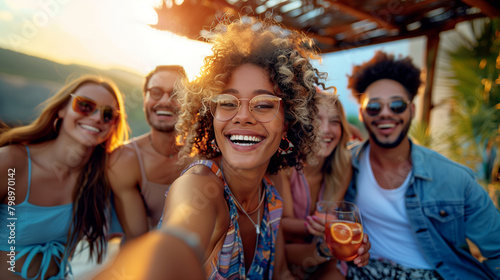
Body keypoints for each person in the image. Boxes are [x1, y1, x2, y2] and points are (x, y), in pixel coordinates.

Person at [345, 50, 500, 279]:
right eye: (374, 107)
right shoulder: (344, 164)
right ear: (362, 113)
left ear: (412, 110)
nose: (385, 114)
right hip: (363, 271)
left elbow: (496, 250)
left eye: (397, 105)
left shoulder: (454, 178)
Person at [0, 75, 129, 279]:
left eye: (107, 114)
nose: (96, 117)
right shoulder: (11, 163)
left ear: (113, 125)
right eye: (85, 105)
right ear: (62, 109)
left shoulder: (100, 179)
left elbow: (139, 233)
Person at [279, 91, 368, 279]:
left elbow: (329, 220)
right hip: (285, 255)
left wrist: (344, 236)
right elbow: (282, 224)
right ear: (301, 125)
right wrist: (315, 225)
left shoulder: (342, 168)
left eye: (335, 122)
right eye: (316, 120)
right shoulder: (284, 167)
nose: (325, 129)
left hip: (321, 252)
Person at [108, 65, 187, 241]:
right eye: (156, 92)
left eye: (177, 94)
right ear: (145, 99)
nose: (166, 101)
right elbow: (138, 239)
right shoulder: (124, 159)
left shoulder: (204, 156)